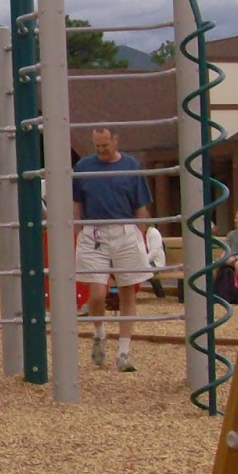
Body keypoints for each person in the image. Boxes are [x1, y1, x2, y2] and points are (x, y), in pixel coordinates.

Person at [73, 126, 153, 373]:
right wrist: (78, 232)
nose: (101, 150)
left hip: (125, 229)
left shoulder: (131, 166)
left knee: (128, 291)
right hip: (94, 231)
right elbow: (77, 203)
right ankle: (99, 333)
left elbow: (141, 205)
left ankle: (124, 352)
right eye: (97, 146)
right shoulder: (84, 167)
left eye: (105, 145)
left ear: (115, 141)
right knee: (97, 293)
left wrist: (140, 234)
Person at [144, 224, 168, 299]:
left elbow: (155, 252)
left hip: (154, 261)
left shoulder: (154, 232)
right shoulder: (137, 233)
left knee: (148, 271)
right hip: (140, 262)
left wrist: (142, 262)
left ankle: (160, 295)